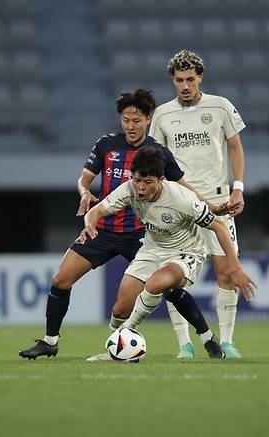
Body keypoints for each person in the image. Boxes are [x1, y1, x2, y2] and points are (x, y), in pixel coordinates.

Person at [19, 89, 219, 360]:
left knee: (170, 289)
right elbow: (84, 179)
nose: (130, 126)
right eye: (125, 120)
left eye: (136, 120)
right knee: (61, 279)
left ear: (148, 120)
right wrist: (84, 193)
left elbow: (184, 189)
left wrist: (213, 207)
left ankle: (207, 338)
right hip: (101, 230)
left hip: (140, 235)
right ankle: (50, 342)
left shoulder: (158, 154)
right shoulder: (106, 145)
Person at [81, 146, 256, 360]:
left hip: (186, 251)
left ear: (161, 179)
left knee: (156, 283)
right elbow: (96, 211)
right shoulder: (129, 189)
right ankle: (204, 337)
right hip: (152, 248)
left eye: (148, 182)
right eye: (137, 180)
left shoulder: (182, 199)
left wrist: (234, 267)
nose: (141, 188)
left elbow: (219, 227)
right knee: (120, 308)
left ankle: (120, 344)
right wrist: (89, 222)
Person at [149, 49, 249, 359]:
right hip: (179, 207)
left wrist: (238, 187)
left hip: (219, 201)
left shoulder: (220, 107)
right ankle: (184, 345)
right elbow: (156, 160)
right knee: (172, 277)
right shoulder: (162, 115)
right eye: (179, 80)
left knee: (228, 272)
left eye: (190, 79)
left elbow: (235, 147)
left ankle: (228, 343)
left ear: (200, 77)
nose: (185, 86)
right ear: (172, 80)